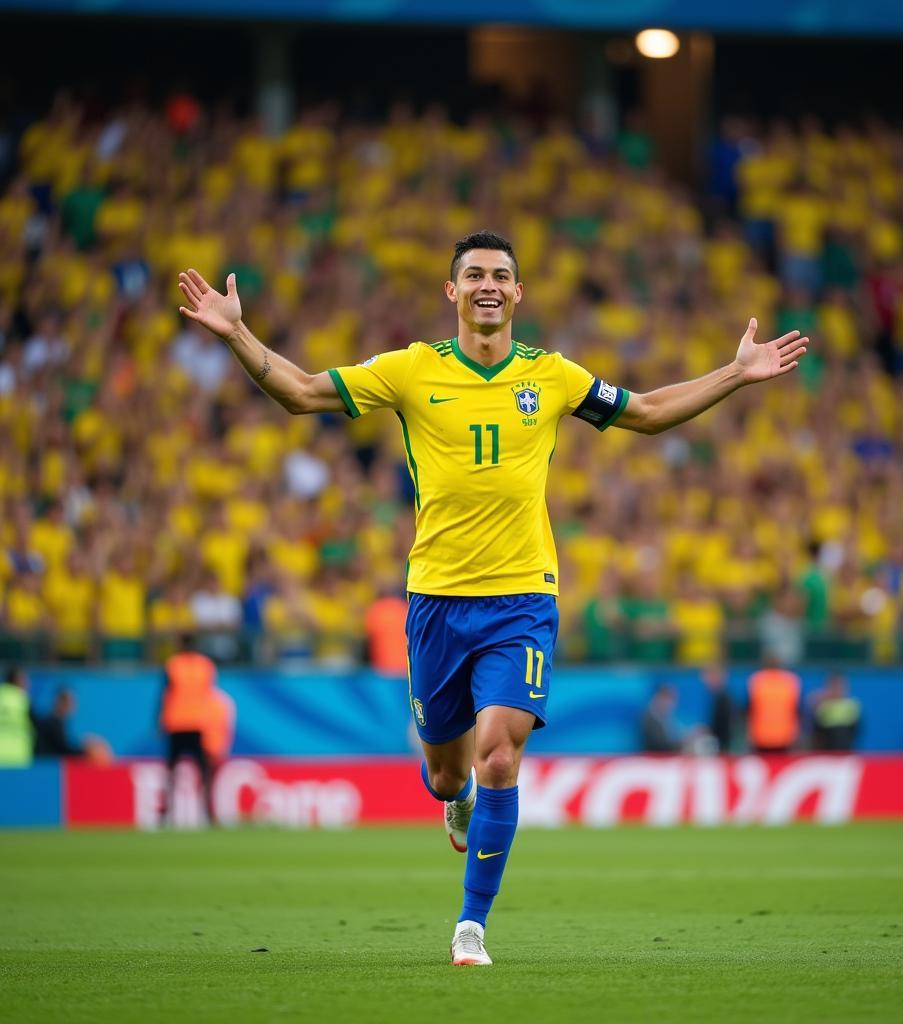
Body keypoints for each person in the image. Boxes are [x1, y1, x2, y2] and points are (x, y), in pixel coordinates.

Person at [177, 230, 808, 966]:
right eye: (473, 273)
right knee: (449, 771)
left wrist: (733, 374)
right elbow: (302, 394)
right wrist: (236, 333)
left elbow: (645, 411)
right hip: (437, 602)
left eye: (500, 275)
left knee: (499, 754)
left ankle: (471, 924)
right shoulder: (412, 370)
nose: (487, 284)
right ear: (451, 291)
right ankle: (456, 800)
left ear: (517, 294)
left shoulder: (554, 375)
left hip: (522, 600)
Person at [158, 633, 220, 825]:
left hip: (176, 723)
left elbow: (165, 693)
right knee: (203, 771)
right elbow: (210, 695)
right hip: (198, 723)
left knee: (171, 771)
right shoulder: (206, 665)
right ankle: (208, 813)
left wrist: (159, 720)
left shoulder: (173, 665)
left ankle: (166, 813)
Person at [746, 653, 802, 754]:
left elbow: (749, 709)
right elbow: (797, 709)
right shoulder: (790, 680)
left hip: (765, 735)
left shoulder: (757, 680)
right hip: (781, 735)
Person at [809, 672, 861, 752]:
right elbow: (816, 731)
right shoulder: (822, 705)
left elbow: (856, 729)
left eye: (840, 685)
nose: (837, 689)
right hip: (827, 751)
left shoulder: (852, 705)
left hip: (846, 750)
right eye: (834, 686)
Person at [0, 666, 33, 768]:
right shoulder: (22, 700)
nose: (28, 683)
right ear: (16, 680)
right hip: (19, 758)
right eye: (24, 679)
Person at [640, 683, 682, 753]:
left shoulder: (666, 717)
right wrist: (683, 742)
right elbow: (660, 745)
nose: (672, 704)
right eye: (669, 699)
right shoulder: (650, 717)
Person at [702, 665, 734, 754]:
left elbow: (723, 728)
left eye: (708, 677)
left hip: (725, 748)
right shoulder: (719, 697)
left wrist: (706, 731)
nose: (705, 681)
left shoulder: (723, 699)